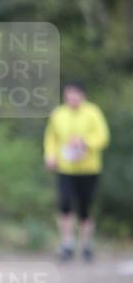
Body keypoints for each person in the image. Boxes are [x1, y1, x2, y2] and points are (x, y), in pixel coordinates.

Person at [44, 81, 110, 261]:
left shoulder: (93, 112)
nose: (71, 98)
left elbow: (103, 136)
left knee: (84, 207)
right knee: (65, 204)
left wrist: (85, 142)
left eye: (75, 95)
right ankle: (67, 244)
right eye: (68, 95)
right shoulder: (58, 114)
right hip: (65, 168)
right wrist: (50, 155)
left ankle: (86, 244)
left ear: (83, 95)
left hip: (88, 169)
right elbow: (51, 137)